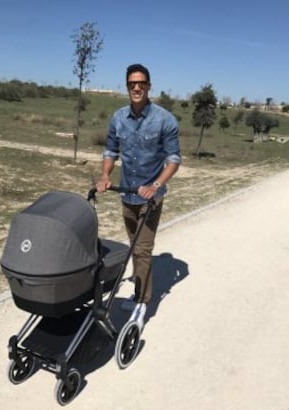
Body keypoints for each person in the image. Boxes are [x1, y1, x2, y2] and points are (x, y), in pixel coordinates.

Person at [96, 63, 181, 329]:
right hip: (127, 194)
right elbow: (110, 151)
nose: (136, 88)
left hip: (150, 197)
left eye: (141, 83)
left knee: (143, 250)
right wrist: (106, 176)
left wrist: (155, 185)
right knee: (133, 246)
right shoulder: (118, 117)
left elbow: (173, 160)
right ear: (127, 86)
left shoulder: (164, 119)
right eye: (132, 83)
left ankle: (142, 305)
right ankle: (137, 293)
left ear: (148, 86)